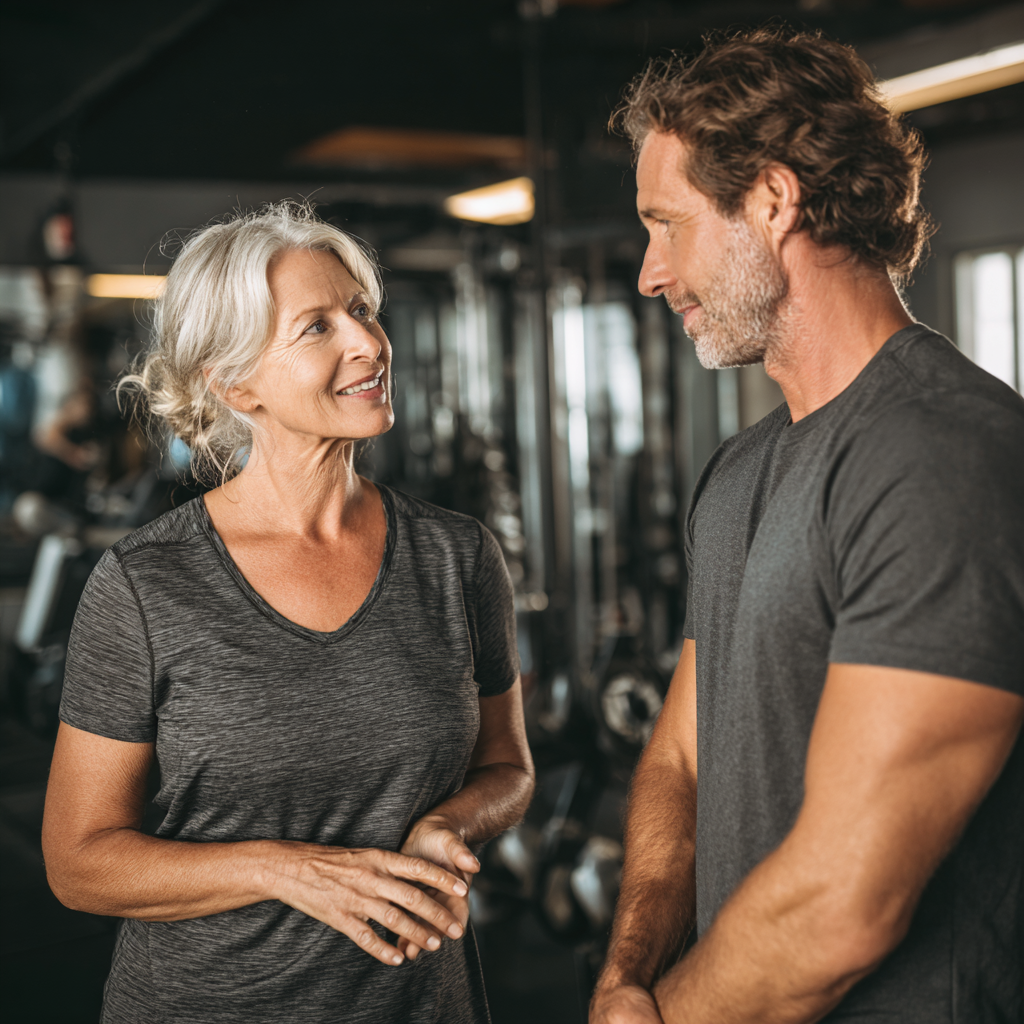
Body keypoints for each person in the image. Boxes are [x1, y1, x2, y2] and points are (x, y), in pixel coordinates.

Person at [591, 27, 1024, 1024]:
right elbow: (681, 759)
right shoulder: (739, 473)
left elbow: (844, 904)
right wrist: (627, 977)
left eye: (669, 225)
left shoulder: (939, 455)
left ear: (773, 201)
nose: (651, 274)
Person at [42, 202, 535, 1024]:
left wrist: (448, 825)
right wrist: (290, 871)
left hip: (421, 1005)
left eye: (363, 311)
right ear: (235, 384)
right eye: (317, 327)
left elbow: (508, 767)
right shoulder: (146, 583)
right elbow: (79, 862)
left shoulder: (456, 556)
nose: (368, 343)